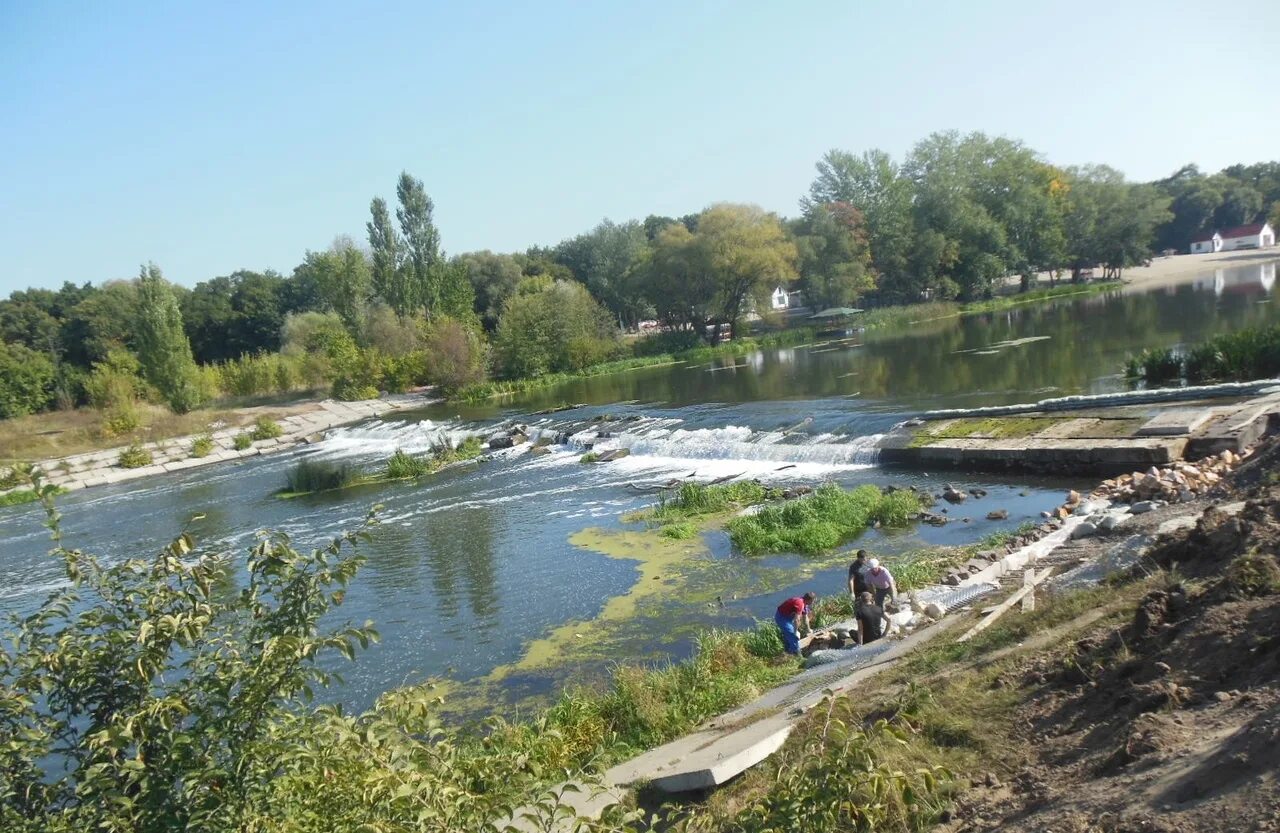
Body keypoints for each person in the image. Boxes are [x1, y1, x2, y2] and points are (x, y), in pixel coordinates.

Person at [775, 591, 816, 655]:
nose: (813, 602)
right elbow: (797, 620)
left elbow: (805, 618)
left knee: (789, 636)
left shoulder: (805, 604)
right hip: (782, 618)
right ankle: (797, 656)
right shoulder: (799, 603)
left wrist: (808, 629)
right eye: (813, 600)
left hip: (788, 617)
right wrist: (795, 631)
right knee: (793, 637)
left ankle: (787, 651)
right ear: (809, 600)